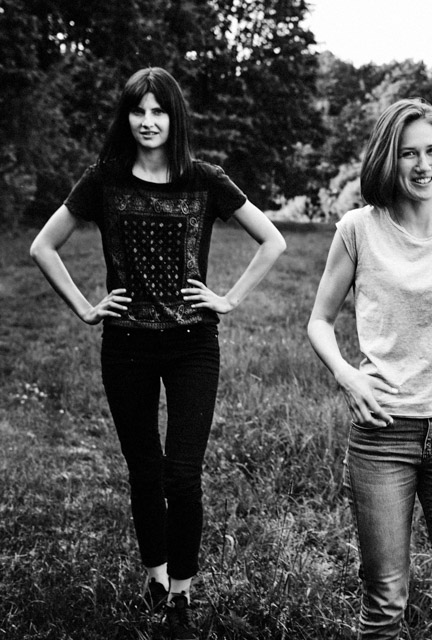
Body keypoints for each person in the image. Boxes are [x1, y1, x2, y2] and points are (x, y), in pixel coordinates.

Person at [29, 67, 286, 639]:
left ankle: (182, 592)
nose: (148, 122)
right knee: (144, 469)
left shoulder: (204, 178)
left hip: (194, 345)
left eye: (158, 111)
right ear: (126, 117)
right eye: (137, 111)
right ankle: (156, 577)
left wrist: (228, 299)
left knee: (183, 473)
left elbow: (273, 240)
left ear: (174, 117)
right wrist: (86, 307)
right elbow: (43, 246)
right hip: (126, 346)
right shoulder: (103, 179)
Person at [306, 97, 432, 639]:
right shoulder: (358, 228)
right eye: (408, 153)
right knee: (385, 605)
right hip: (382, 433)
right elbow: (319, 320)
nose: (424, 165)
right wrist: (347, 374)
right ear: (387, 159)